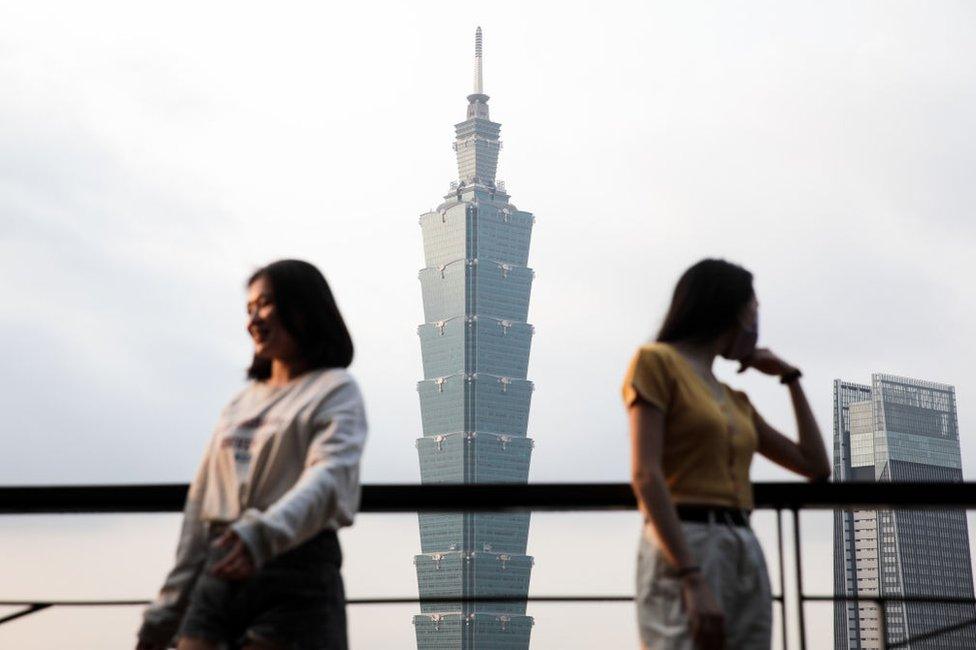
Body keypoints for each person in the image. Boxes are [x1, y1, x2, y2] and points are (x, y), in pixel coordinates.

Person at [136, 259, 367, 650]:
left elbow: (328, 478)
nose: (253, 320)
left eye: (264, 304)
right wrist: (166, 611)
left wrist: (261, 536)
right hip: (222, 566)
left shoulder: (335, 389)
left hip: (296, 574)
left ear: (303, 309)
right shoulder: (240, 404)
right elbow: (200, 507)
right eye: (248, 309)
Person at [624, 259, 830, 650]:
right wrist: (691, 576)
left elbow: (815, 466)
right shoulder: (656, 362)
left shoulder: (734, 399)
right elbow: (646, 475)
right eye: (753, 310)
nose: (755, 323)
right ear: (730, 310)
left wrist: (791, 378)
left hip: (742, 543)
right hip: (687, 541)